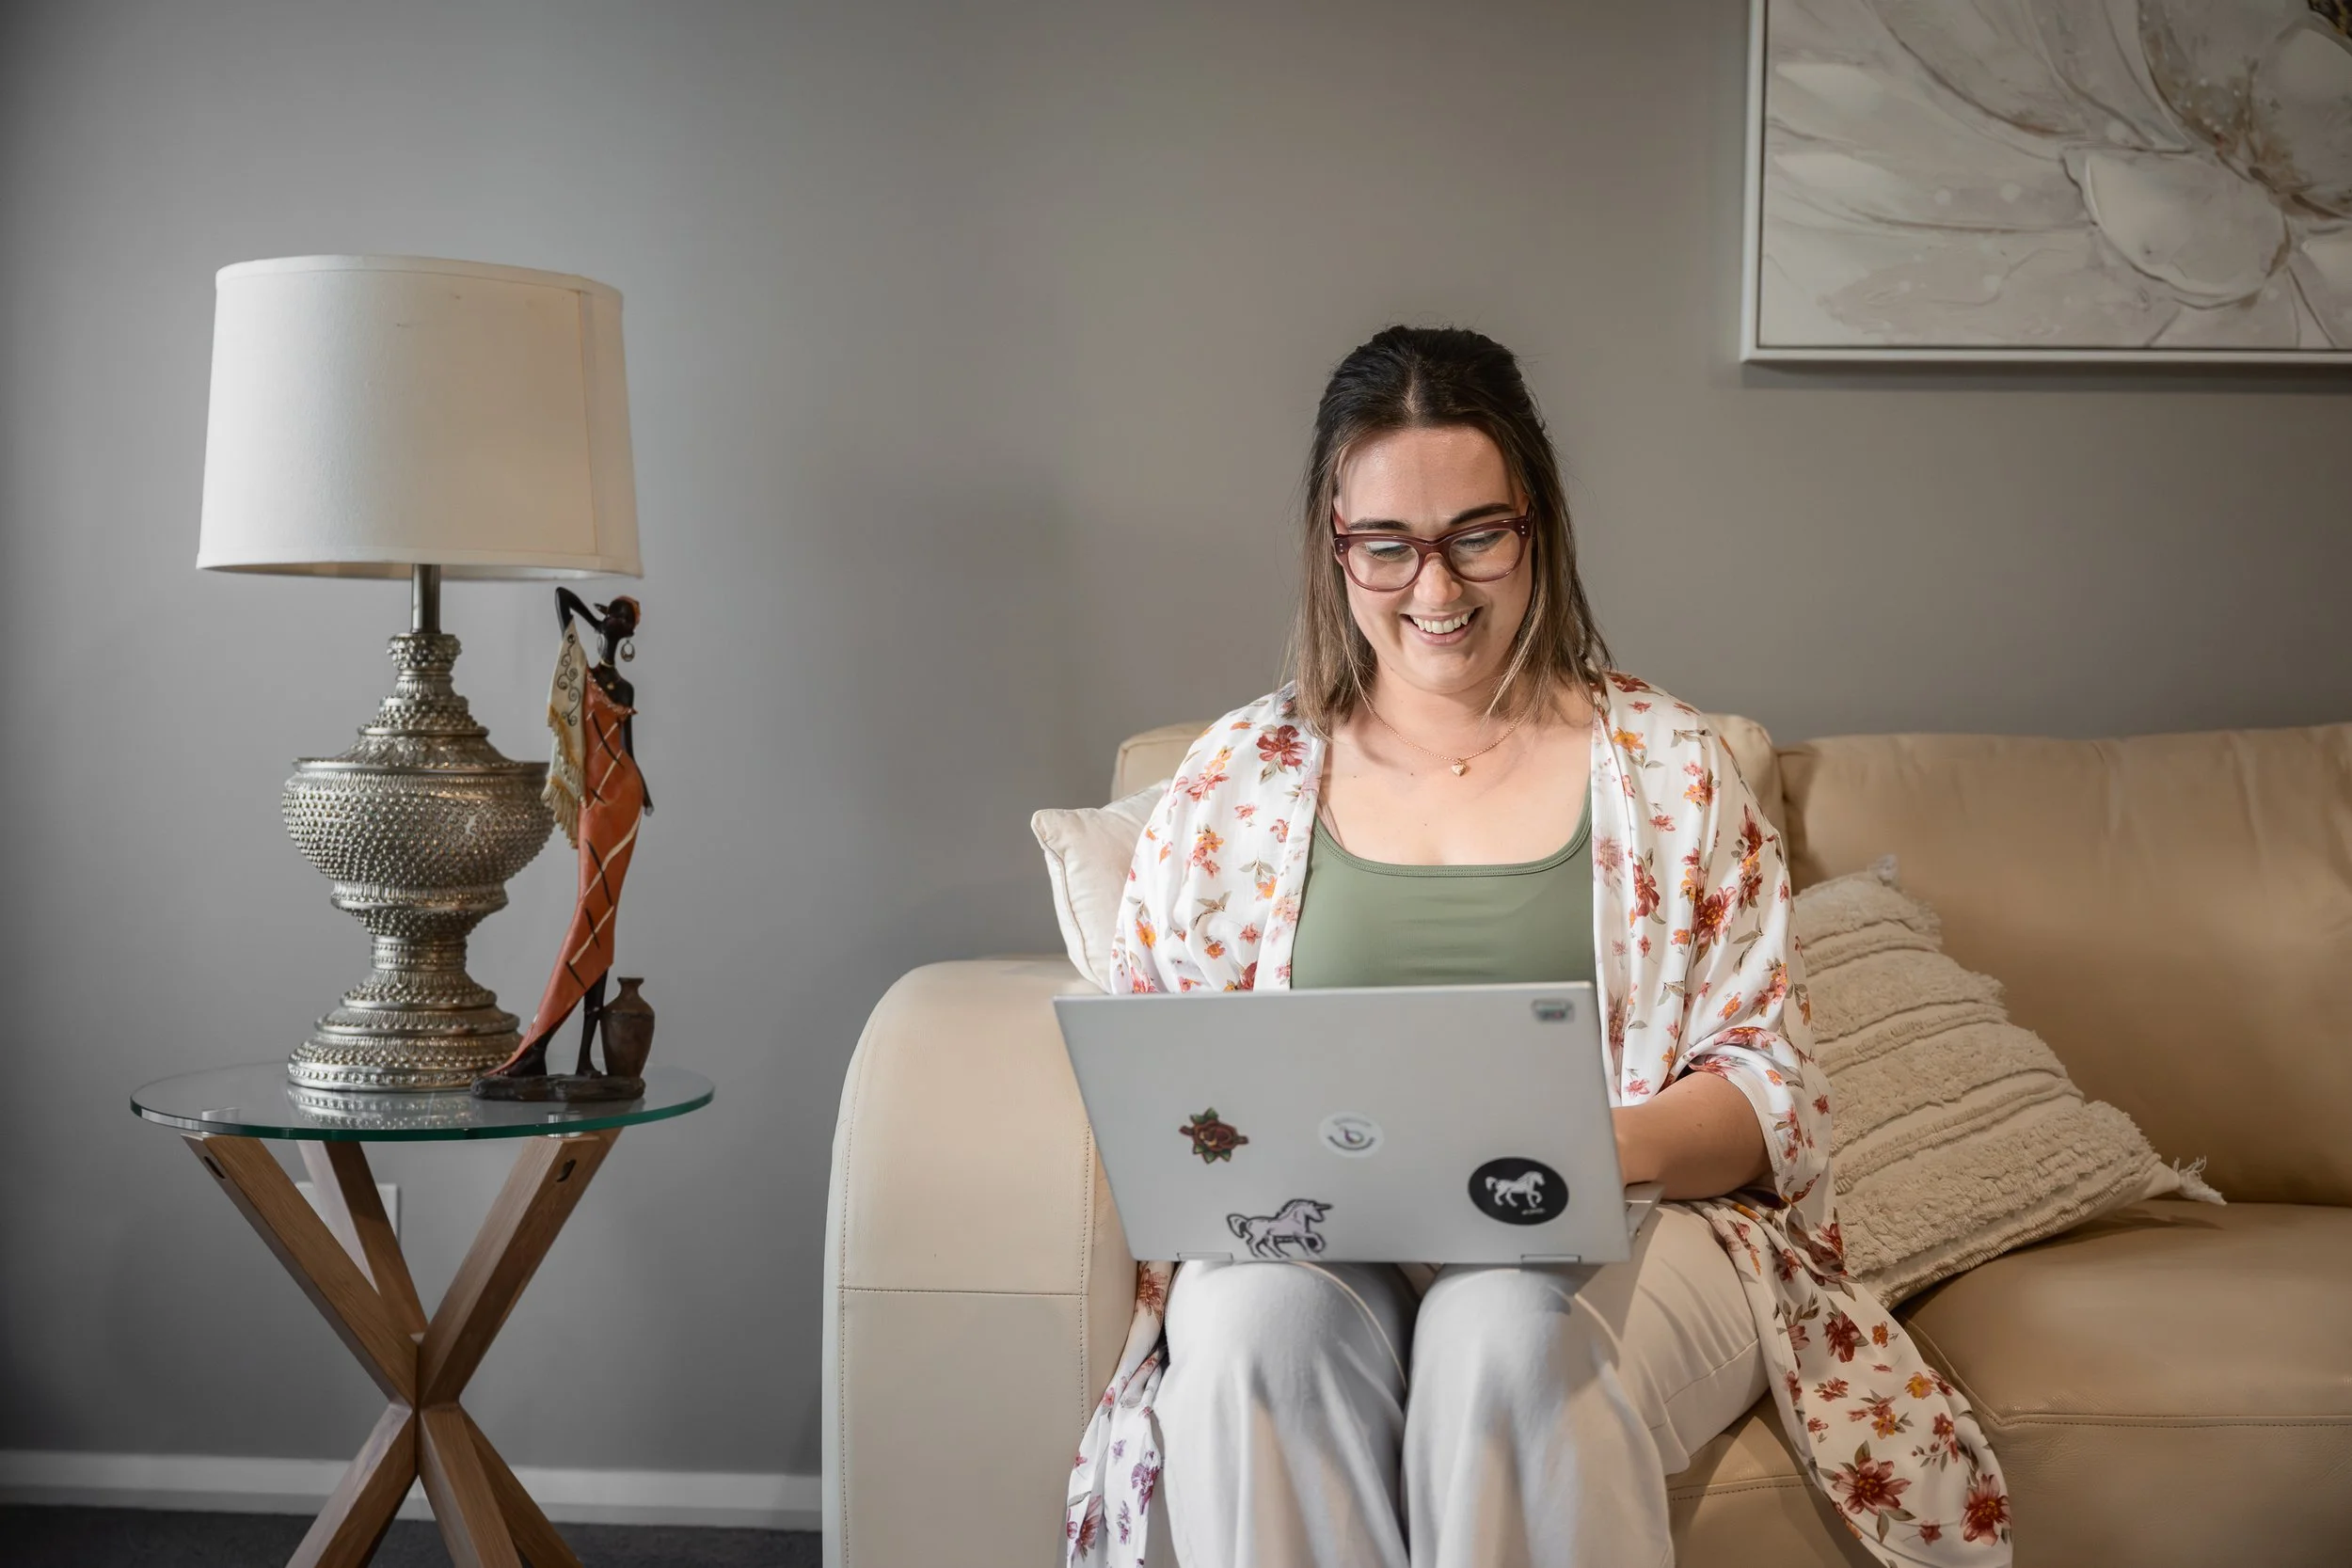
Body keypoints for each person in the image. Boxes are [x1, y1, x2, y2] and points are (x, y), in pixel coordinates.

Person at [1062, 327, 2011, 1568]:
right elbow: (1172, 1075)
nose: (1439, 590)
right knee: (1245, 1327)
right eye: (1389, 546)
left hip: (1619, 1225)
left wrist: (1582, 1151)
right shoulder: (1233, 785)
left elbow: (1769, 1087)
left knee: (1499, 1333)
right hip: (1320, 1236)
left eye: (1478, 535)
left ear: (1538, 524)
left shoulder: (1671, 769)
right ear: (1332, 545)